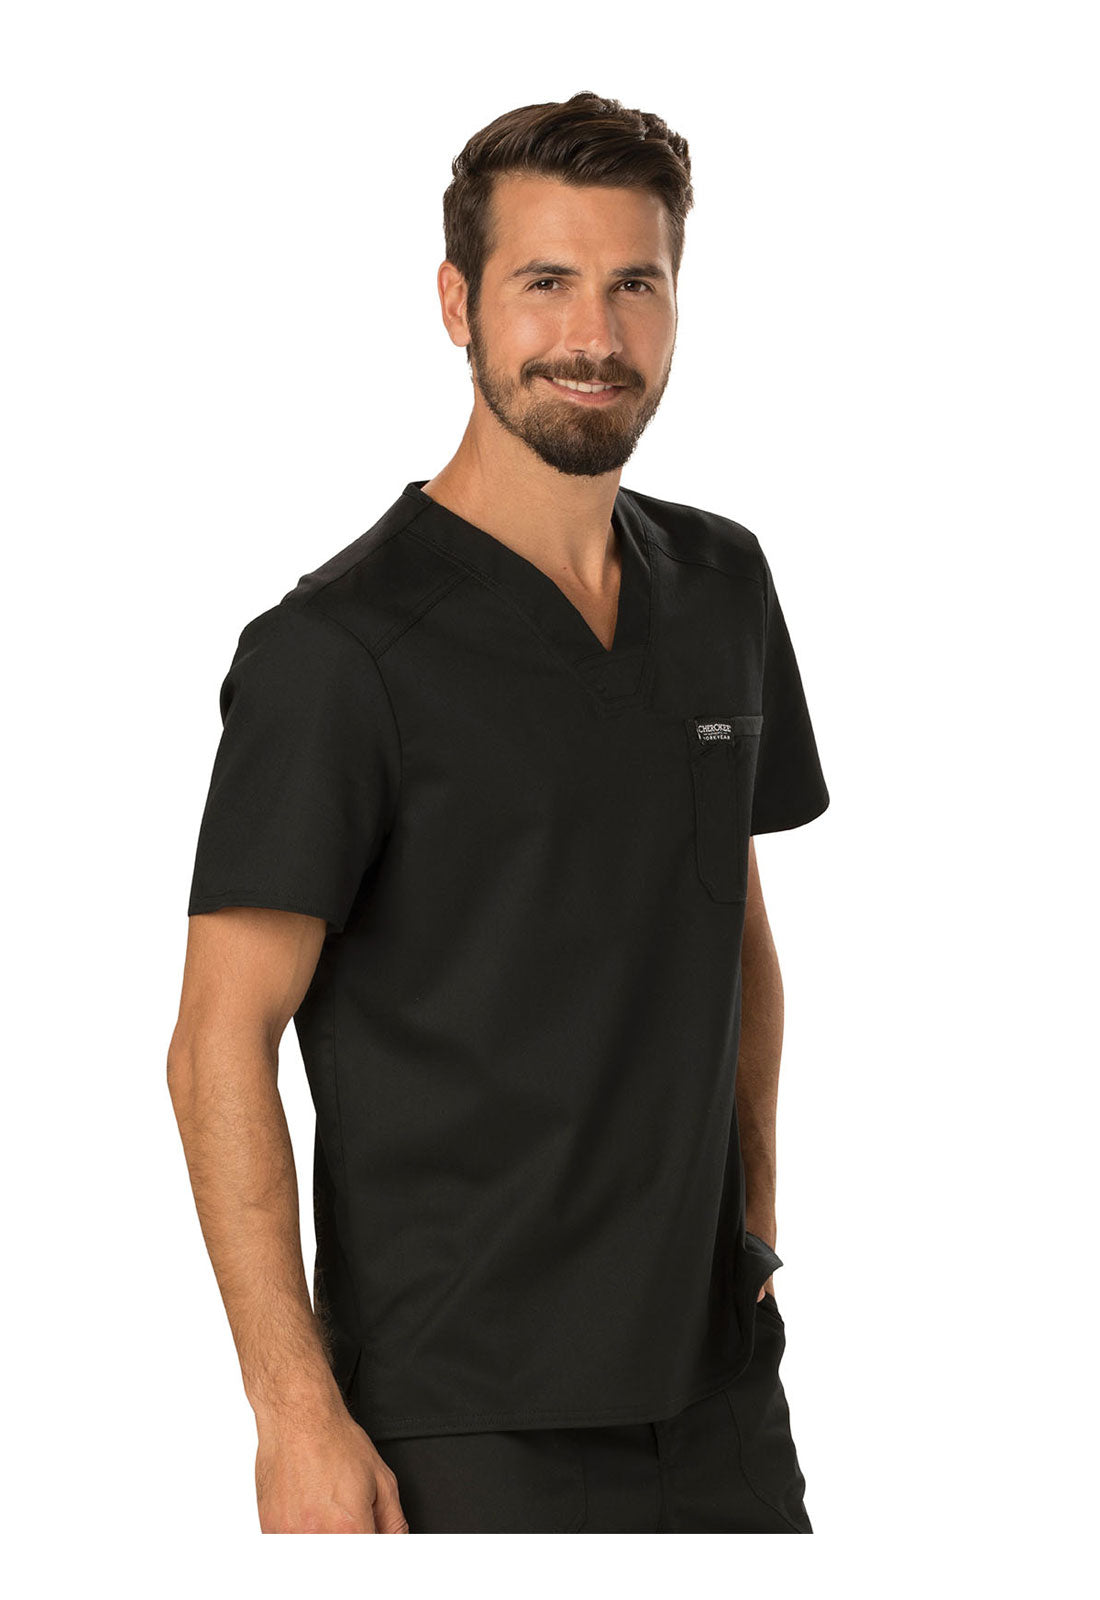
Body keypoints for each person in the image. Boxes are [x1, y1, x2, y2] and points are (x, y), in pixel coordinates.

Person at [168, 90, 830, 1535]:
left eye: (635, 284)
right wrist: (294, 1415)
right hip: (461, 1423)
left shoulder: (723, 587)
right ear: (458, 304)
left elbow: (734, 927)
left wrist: (755, 1220)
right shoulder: (337, 656)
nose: (594, 334)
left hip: (723, 1396)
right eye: (546, 282)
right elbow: (219, 1038)